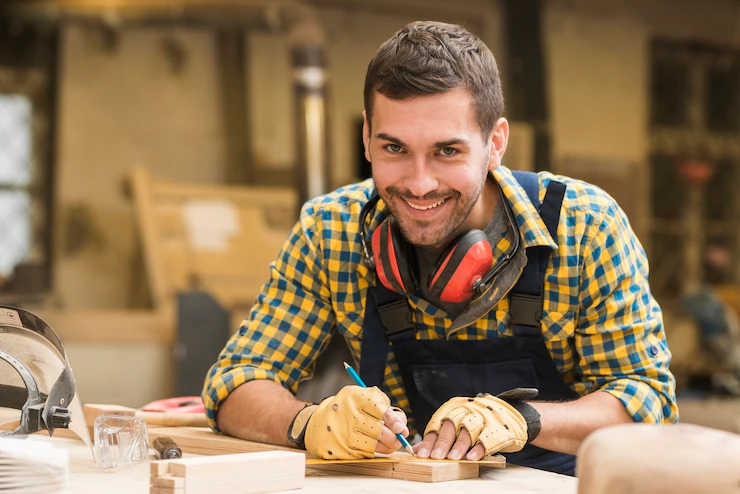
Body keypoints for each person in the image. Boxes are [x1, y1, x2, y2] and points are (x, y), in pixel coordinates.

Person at [203, 20, 677, 476]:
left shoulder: (585, 227)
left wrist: (523, 420)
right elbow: (234, 384)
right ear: (367, 137)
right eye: (394, 149)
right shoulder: (331, 231)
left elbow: (648, 404)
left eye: (447, 151)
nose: (419, 183)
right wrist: (308, 423)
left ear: (495, 144)